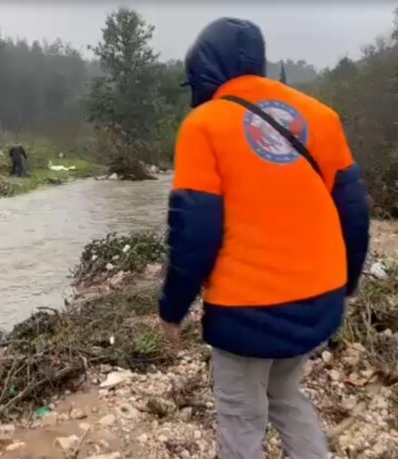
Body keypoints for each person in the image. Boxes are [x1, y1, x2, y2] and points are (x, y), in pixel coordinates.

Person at [158, 18, 370, 459]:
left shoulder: (204, 125)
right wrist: (348, 283)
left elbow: (194, 232)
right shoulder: (321, 116)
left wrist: (172, 310)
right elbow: (353, 211)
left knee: (241, 415)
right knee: (286, 393)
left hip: (246, 310)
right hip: (319, 299)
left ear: (203, 70)